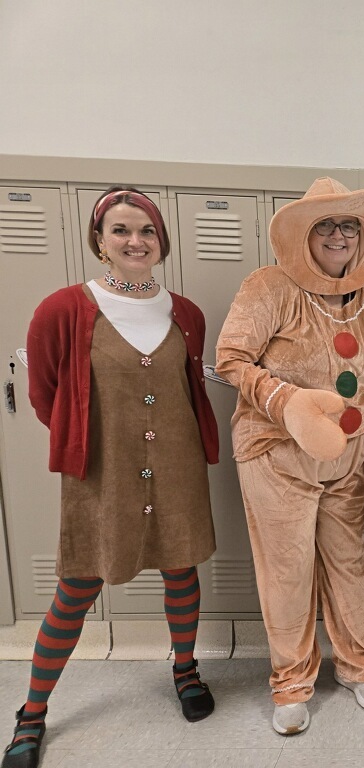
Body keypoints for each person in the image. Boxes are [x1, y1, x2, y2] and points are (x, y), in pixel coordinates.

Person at [4, 187, 218, 768]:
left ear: (161, 241)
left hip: (176, 464)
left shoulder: (186, 313)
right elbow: (47, 394)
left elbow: (189, 386)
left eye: (147, 230)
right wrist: (91, 442)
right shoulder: (65, 308)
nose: (135, 241)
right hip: (102, 472)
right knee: (76, 588)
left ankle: (186, 671)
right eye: (121, 230)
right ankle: (32, 714)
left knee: (181, 569)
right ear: (99, 241)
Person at [216, 177, 364, 736]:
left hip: (348, 458)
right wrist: (286, 401)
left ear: (363, 236)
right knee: (288, 570)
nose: (339, 235)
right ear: (306, 236)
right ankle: (291, 680)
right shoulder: (270, 286)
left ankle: (359, 664)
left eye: (349, 225)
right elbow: (230, 359)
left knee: (350, 564)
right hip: (276, 456)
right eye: (326, 225)